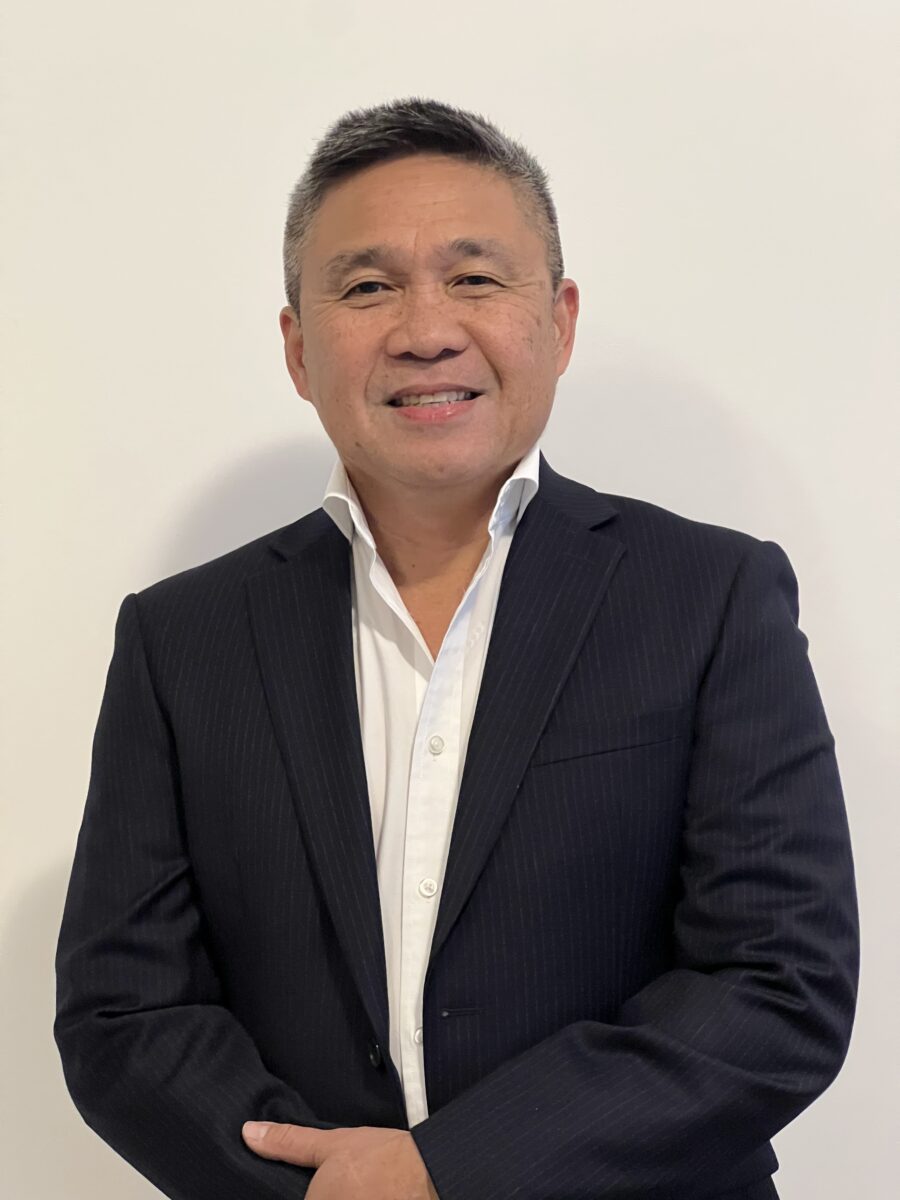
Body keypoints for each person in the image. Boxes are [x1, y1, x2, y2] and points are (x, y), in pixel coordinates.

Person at [54, 97, 859, 1200]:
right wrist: (326, 1187)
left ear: (560, 322)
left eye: (475, 278)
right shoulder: (182, 638)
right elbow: (125, 1013)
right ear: (297, 347)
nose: (425, 329)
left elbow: (777, 986)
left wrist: (449, 1172)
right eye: (367, 287)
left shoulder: (710, 597)